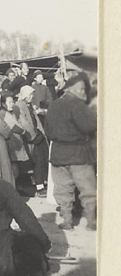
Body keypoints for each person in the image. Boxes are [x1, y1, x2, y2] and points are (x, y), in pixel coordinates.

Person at [45, 73, 97, 230]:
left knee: (63, 190)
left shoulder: (53, 105)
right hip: (78, 154)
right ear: (74, 89)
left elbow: (48, 130)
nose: (84, 93)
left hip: (58, 154)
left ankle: (67, 221)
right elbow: (89, 127)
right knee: (87, 190)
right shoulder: (78, 106)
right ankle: (91, 222)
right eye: (82, 89)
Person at [16, 85, 49, 197]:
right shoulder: (20, 106)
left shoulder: (28, 105)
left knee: (41, 159)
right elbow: (24, 122)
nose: (31, 96)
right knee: (37, 160)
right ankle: (39, 186)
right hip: (30, 138)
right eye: (29, 94)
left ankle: (41, 182)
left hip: (35, 135)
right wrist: (33, 136)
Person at [0, 91, 32, 189]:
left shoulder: (10, 113)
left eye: (12, 102)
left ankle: (18, 187)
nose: (12, 104)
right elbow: (15, 127)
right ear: (3, 104)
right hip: (11, 143)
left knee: (17, 166)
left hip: (16, 142)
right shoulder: (3, 114)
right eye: (9, 102)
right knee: (14, 168)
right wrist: (25, 132)